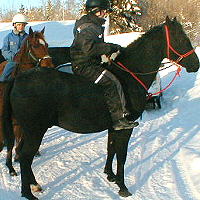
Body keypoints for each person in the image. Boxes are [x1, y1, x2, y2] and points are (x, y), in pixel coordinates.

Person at [70, 0, 139, 130]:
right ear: (96, 11)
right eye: (104, 10)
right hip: (85, 66)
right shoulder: (89, 27)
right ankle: (118, 119)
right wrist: (109, 48)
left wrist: (107, 52)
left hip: (89, 62)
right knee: (111, 82)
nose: (106, 14)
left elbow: (92, 48)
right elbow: (88, 48)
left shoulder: (92, 25)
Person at [0, 13, 28, 82]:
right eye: (19, 25)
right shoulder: (8, 37)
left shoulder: (28, 37)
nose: (21, 26)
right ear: (14, 25)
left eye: (23, 25)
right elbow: (4, 50)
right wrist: (14, 57)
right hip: (12, 61)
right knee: (4, 77)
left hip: (25, 61)